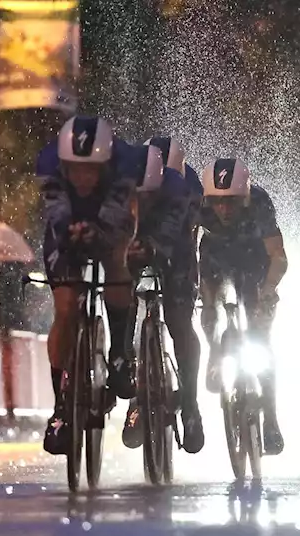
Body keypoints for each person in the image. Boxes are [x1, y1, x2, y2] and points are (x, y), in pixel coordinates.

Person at [36, 116, 141, 455]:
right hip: (66, 227)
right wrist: (71, 231)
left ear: (106, 166)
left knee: (116, 264)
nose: (82, 177)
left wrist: (99, 233)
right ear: (62, 165)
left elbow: (117, 215)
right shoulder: (49, 165)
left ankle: (121, 355)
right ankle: (59, 408)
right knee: (65, 308)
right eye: (74, 169)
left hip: (110, 220)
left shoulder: (125, 166)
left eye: (91, 170)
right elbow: (56, 216)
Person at [198, 158, 287, 454]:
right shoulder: (198, 205)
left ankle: (271, 420)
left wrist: (269, 291)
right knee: (209, 307)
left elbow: (278, 257)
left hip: (254, 265)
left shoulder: (260, 202)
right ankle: (214, 349)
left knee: (261, 335)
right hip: (215, 262)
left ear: (245, 197)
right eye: (218, 203)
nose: (224, 210)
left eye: (232, 202)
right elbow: (186, 249)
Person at [121, 143, 206, 454]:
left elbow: (185, 238)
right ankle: (134, 389)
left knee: (179, 320)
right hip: (137, 238)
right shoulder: (131, 179)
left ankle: (191, 405)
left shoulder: (187, 189)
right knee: (124, 302)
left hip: (178, 249)